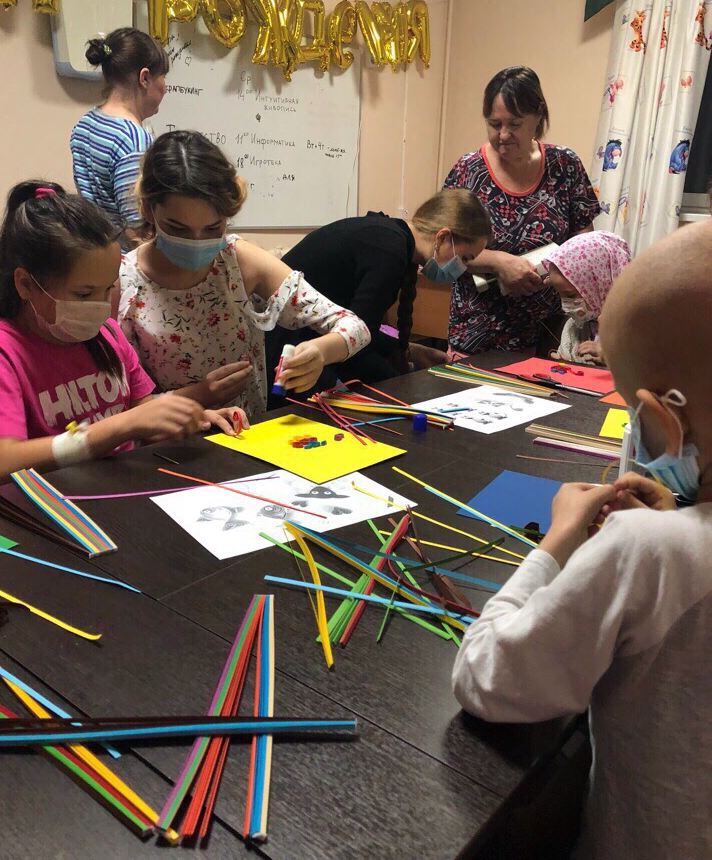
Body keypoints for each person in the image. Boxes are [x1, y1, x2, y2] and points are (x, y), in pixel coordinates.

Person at [451, 220, 712, 859]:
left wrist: (559, 541)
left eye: (630, 411)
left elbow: (488, 676)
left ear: (663, 417)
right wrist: (680, 508)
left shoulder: (648, 550)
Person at [0, 183, 246, 487]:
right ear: (25, 284)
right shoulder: (1, 352)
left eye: (108, 288)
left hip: (122, 488)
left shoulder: (107, 336)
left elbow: (144, 417)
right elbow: (1, 464)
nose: (101, 308)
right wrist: (119, 426)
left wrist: (192, 419)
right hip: (59, 503)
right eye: (84, 294)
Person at [117, 131, 371, 419]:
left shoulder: (237, 262)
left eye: (213, 228)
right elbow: (121, 405)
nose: (197, 242)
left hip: (247, 436)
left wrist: (321, 351)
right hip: (169, 441)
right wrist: (201, 395)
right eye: (177, 229)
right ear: (148, 210)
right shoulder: (123, 282)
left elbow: (355, 328)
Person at [266, 190, 491, 398]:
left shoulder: (392, 238)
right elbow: (355, 346)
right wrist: (405, 392)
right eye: (464, 258)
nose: (462, 268)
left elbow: (364, 331)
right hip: (287, 349)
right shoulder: (389, 251)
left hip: (302, 341)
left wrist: (411, 351)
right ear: (442, 237)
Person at [443, 66, 599, 354]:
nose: (503, 135)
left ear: (538, 116)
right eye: (494, 124)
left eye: (514, 124)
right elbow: (444, 251)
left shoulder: (564, 165)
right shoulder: (468, 171)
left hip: (550, 331)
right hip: (479, 334)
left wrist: (554, 271)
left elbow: (584, 242)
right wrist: (499, 262)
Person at [70, 28, 168, 247]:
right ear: (145, 78)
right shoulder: (133, 139)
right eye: (163, 77)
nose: (165, 88)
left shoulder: (85, 123)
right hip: (123, 260)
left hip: (95, 251)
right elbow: (137, 231)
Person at [542, 230, 631, 364]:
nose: (565, 305)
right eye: (560, 295)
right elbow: (569, 358)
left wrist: (610, 357)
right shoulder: (574, 327)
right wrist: (567, 364)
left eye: (570, 295)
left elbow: (647, 369)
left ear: (600, 285)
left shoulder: (635, 328)